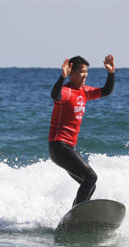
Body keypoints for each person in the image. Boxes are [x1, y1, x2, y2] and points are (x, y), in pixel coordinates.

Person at [48, 55, 115, 207]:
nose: (85, 75)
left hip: (68, 147)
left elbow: (106, 91)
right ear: (71, 72)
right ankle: (76, 214)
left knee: (89, 183)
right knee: (91, 178)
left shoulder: (84, 92)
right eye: (81, 72)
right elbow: (54, 95)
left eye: (86, 72)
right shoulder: (66, 91)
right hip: (59, 146)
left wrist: (111, 73)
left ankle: (73, 215)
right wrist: (61, 77)